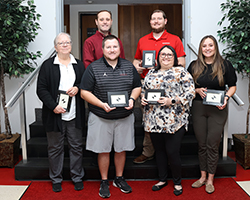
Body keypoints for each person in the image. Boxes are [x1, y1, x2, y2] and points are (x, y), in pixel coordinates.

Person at [80, 35, 141, 198]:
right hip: (101, 117)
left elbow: (137, 86)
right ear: (102, 49)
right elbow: (84, 92)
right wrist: (102, 104)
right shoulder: (93, 68)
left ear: (119, 49)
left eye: (115, 47)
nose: (112, 50)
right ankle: (104, 180)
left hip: (124, 117)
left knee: (121, 150)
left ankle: (119, 178)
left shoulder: (129, 66)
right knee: (103, 151)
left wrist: (132, 99)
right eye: (108, 47)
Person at [133, 9, 186, 164]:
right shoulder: (143, 40)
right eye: (153, 19)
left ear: (165, 21)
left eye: (159, 19)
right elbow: (136, 60)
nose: (156, 21)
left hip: (170, 87)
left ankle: (167, 152)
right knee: (149, 119)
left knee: (169, 119)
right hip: (148, 85)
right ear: (150, 22)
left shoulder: (174, 39)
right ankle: (148, 151)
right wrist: (137, 67)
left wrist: (163, 64)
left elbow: (182, 62)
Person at [141, 45, 195, 196]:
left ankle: (177, 182)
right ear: (158, 57)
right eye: (163, 54)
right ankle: (162, 179)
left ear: (174, 57)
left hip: (175, 120)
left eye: (169, 55)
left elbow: (190, 93)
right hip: (153, 119)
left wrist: (172, 100)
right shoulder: (151, 72)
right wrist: (143, 99)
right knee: (159, 152)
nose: (166, 57)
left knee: (172, 152)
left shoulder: (181, 72)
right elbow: (144, 90)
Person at [187, 35, 237, 194]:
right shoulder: (194, 66)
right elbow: (186, 87)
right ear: (200, 49)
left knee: (212, 144)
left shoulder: (225, 65)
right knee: (201, 144)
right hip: (198, 108)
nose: (207, 48)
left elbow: (233, 86)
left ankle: (210, 179)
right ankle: (202, 177)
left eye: (210, 45)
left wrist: (227, 98)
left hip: (218, 109)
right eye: (204, 46)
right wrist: (196, 89)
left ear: (215, 47)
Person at [37, 32, 85, 192]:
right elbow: (41, 90)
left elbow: (84, 84)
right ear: (55, 47)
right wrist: (53, 106)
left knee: (76, 146)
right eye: (61, 43)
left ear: (71, 45)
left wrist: (78, 88)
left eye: (67, 42)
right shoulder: (47, 65)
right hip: (54, 114)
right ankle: (56, 179)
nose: (65, 45)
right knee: (55, 148)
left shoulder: (79, 64)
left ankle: (77, 177)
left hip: (74, 114)